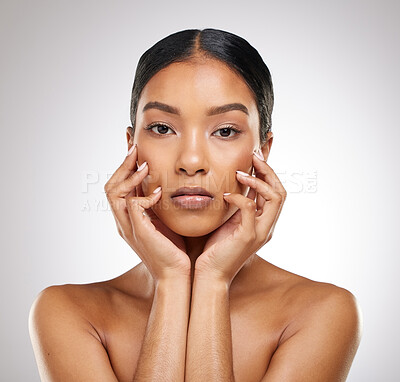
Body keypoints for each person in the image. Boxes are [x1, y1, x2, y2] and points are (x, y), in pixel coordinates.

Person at [29, 28, 362, 382]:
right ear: (131, 146)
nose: (190, 161)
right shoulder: (67, 312)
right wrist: (171, 281)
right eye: (161, 128)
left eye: (225, 131)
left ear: (262, 151)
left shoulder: (323, 312)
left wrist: (213, 280)